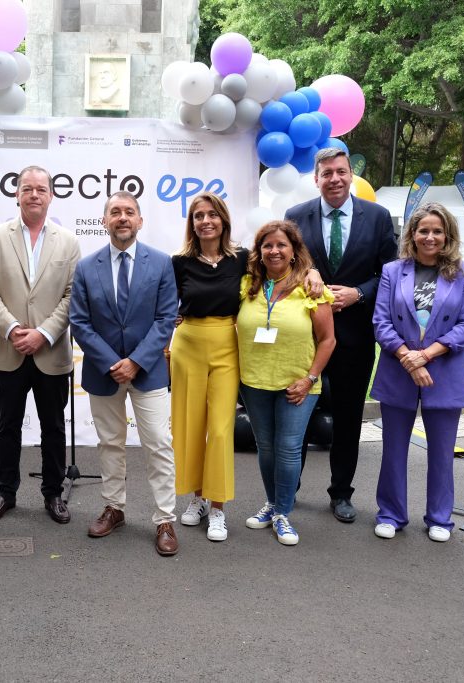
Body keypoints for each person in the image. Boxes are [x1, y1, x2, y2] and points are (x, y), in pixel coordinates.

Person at [285, 147, 397, 523]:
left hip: (355, 336)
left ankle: (341, 494)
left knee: (348, 419)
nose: (334, 179)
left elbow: (392, 274)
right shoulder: (295, 217)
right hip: (304, 337)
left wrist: (359, 293)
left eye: (340, 171)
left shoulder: (378, 218)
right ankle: (287, 489)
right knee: (296, 414)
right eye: (326, 173)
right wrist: (306, 273)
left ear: (352, 175)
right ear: (316, 179)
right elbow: (284, 266)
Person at [70, 191, 180, 556]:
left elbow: (166, 319)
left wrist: (136, 361)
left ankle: (165, 518)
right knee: (111, 443)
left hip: (147, 372)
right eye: (115, 212)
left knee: (158, 445)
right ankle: (114, 508)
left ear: (140, 221)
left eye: (129, 212)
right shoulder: (87, 267)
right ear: (104, 221)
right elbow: (80, 323)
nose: (122, 218)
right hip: (104, 374)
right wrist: (112, 362)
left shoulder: (162, 263)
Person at [0, 165, 80, 524]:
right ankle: (5, 493)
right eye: (27, 188)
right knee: (8, 426)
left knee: (53, 426)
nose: (34, 194)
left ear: (51, 195)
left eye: (41, 189)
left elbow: (72, 295)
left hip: (51, 352)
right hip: (10, 350)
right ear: (17, 194)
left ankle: (54, 494)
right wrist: (13, 329)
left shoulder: (67, 241)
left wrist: (44, 333)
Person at [371, 203, 464, 543]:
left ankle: (439, 518)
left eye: (436, 231)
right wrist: (407, 357)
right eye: (423, 230)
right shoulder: (392, 271)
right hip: (397, 370)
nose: (430, 237)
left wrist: (425, 356)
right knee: (393, 449)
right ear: (412, 234)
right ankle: (390, 514)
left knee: (443, 452)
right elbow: (381, 322)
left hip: (443, 372)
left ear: (447, 235)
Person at [237, 221, 335, 546]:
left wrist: (309, 379)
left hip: (298, 384)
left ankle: (283, 513)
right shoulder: (249, 285)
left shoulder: (312, 289)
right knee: (265, 447)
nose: (274, 251)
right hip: (254, 381)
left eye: (281, 245)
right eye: (268, 245)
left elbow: (328, 340)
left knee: (289, 449)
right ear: (260, 252)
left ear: (293, 251)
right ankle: (271, 504)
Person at [170, 193, 246, 542]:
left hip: (227, 345)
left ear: (223, 220)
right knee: (190, 427)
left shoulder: (243, 259)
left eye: (212, 215)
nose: (205, 221)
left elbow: (283, 266)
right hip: (187, 346)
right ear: (192, 223)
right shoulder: (179, 262)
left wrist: (316, 274)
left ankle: (218, 508)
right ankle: (197, 497)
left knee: (219, 430)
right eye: (198, 215)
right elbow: (166, 304)